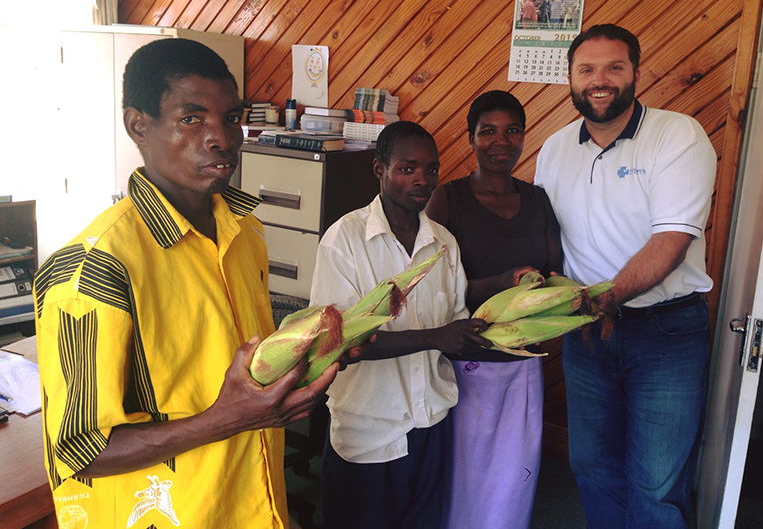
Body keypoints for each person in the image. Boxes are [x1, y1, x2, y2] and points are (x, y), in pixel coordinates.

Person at [34, 38, 341, 529]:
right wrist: (227, 418)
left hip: (254, 505)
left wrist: (312, 353)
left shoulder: (245, 231)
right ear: (139, 125)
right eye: (192, 119)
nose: (222, 138)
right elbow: (77, 452)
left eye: (232, 117)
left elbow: (242, 369)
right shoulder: (95, 267)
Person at [534, 24, 717, 528]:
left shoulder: (677, 134)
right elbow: (547, 236)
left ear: (636, 72)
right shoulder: (553, 149)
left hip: (665, 333)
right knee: (592, 466)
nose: (600, 80)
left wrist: (602, 300)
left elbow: (671, 241)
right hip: (585, 332)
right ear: (569, 77)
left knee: (656, 482)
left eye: (614, 67)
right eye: (586, 69)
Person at [309, 121, 492, 529]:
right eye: (407, 169)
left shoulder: (444, 242)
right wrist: (436, 337)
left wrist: (488, 331)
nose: (422, 180)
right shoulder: (345, 241)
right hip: (370, 432)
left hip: (431, 423)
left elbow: (454, 324)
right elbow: (341, 345)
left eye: (431, 170)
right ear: (380, 170)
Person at [425, 90, 562, 529]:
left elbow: (556, 275)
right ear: (471, 139)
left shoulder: (538, 201)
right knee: (462, 476)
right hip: (464, 364)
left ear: (524, 137)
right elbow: (432, 286)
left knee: (510, 478)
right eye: (488, 131)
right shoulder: (447, 199)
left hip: (521, 365)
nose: (501, 141)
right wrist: (500, 285)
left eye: (512, 130)